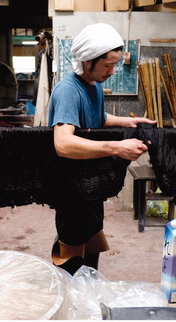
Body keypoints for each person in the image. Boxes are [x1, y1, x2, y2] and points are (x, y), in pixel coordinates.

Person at [48, 23, 156, 275]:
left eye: (115, 64)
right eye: (108, 65)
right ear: (87, 62)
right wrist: (117, 147)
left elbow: (97, 117)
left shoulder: (93, 85)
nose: (112, 71)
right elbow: (63, 143)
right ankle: (74, 304)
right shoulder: (68, 91)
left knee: (92, 239)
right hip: (72, 187)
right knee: (72, 250)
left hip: (90, 183)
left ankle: (89, 290)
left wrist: (129, 121)